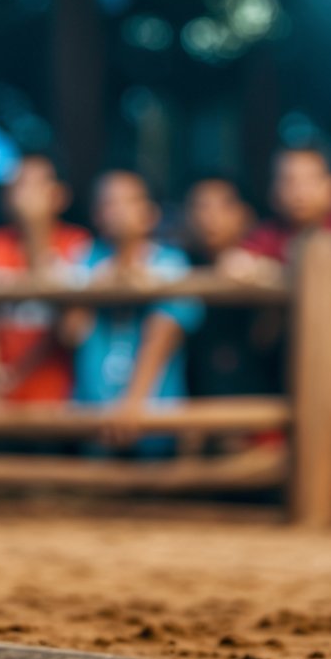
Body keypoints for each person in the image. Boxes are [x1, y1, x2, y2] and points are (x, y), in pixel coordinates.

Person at [224, 138, 331, 392]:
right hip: (289, 385)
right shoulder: (270, 234)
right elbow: (234, 264)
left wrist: (273, 273)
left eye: (311, 180)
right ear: (274, 190)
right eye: (288, 180)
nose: (299, 191)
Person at [61, 171, 203, 457]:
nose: (119, 211)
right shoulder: (83, 258)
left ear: (150, 213)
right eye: (109, 203)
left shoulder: (170, 262)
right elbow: (70, 333)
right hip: (91, 417)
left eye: (129, 201)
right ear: (97, 215)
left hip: (153, 416)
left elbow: (163, 336)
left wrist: (132, 405)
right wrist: (96, 287)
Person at [0, 154, 91, 402]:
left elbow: (71, 332)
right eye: (19, 184)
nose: (26, 193)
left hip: (63, 401)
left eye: (36, 183)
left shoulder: (80, 246)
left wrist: (36, 232)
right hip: (1, 396)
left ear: (59, 195)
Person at [184, 177, 282, 398]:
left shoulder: (266, 268)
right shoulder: (179, 270)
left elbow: (266, 339)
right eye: (201, 206)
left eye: (224, 206)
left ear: (246, 215)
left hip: (259, 404)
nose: (210, 217)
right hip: (195, 409)